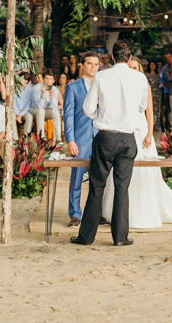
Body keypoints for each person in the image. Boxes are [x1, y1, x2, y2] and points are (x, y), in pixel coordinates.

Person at [100, 55, 172, 229]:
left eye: (135, 68)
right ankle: (117, 211)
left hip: (140, 129)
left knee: (144, 167)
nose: (133, 70)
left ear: (140, 69)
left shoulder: (143, 84)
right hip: (123, 128)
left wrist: (149, 134)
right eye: (130, 67)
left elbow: (150, 112)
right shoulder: (122, 84)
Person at [72, 40, 148, 247]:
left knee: (97, 187)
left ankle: (86, 237)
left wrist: (102, 114)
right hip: (127, 138)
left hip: (105, 137)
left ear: (112, 57)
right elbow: (142, 107)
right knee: (122, 189)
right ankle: (121, 238)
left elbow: (88, 109)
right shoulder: (140, 78)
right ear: (130, 57)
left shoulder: (101, 76)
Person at [64, 51, 100, 227]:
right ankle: (75, 214)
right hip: (80, 139)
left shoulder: (103, 86)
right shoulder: (73, 87)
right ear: (82, 65)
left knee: (98, 178)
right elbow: (68, 115)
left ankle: (96, 213)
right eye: (89, 63)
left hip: (101, 138)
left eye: (96, 64)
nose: (93, 66)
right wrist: (70, 140)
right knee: (77, 177)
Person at [30, 72, 62, 141]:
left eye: (50, 79)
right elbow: (39, 107)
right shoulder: (37, 88)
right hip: (34, 109)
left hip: (45, 110)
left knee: (56, 113)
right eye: (47, 78)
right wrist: (43, 94)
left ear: (53, 81)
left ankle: (57, 138)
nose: (48, 81)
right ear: (43, 79)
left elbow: (54, 107)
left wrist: (51, 96)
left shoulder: (54, 89)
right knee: (41, 112)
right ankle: (41, 138)